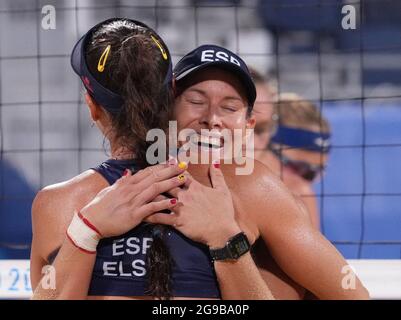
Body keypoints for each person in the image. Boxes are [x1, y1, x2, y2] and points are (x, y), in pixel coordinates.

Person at [30, 19, 274, 300]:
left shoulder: (57, 204)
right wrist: (227, 240)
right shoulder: (243, 187)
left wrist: (85, 232)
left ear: (92, 106)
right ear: (171, 92)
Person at [257, 93, 331, 230]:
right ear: (261, 145)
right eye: (298, 168)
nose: (305, 187)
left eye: (313, 174)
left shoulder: (304, 197)